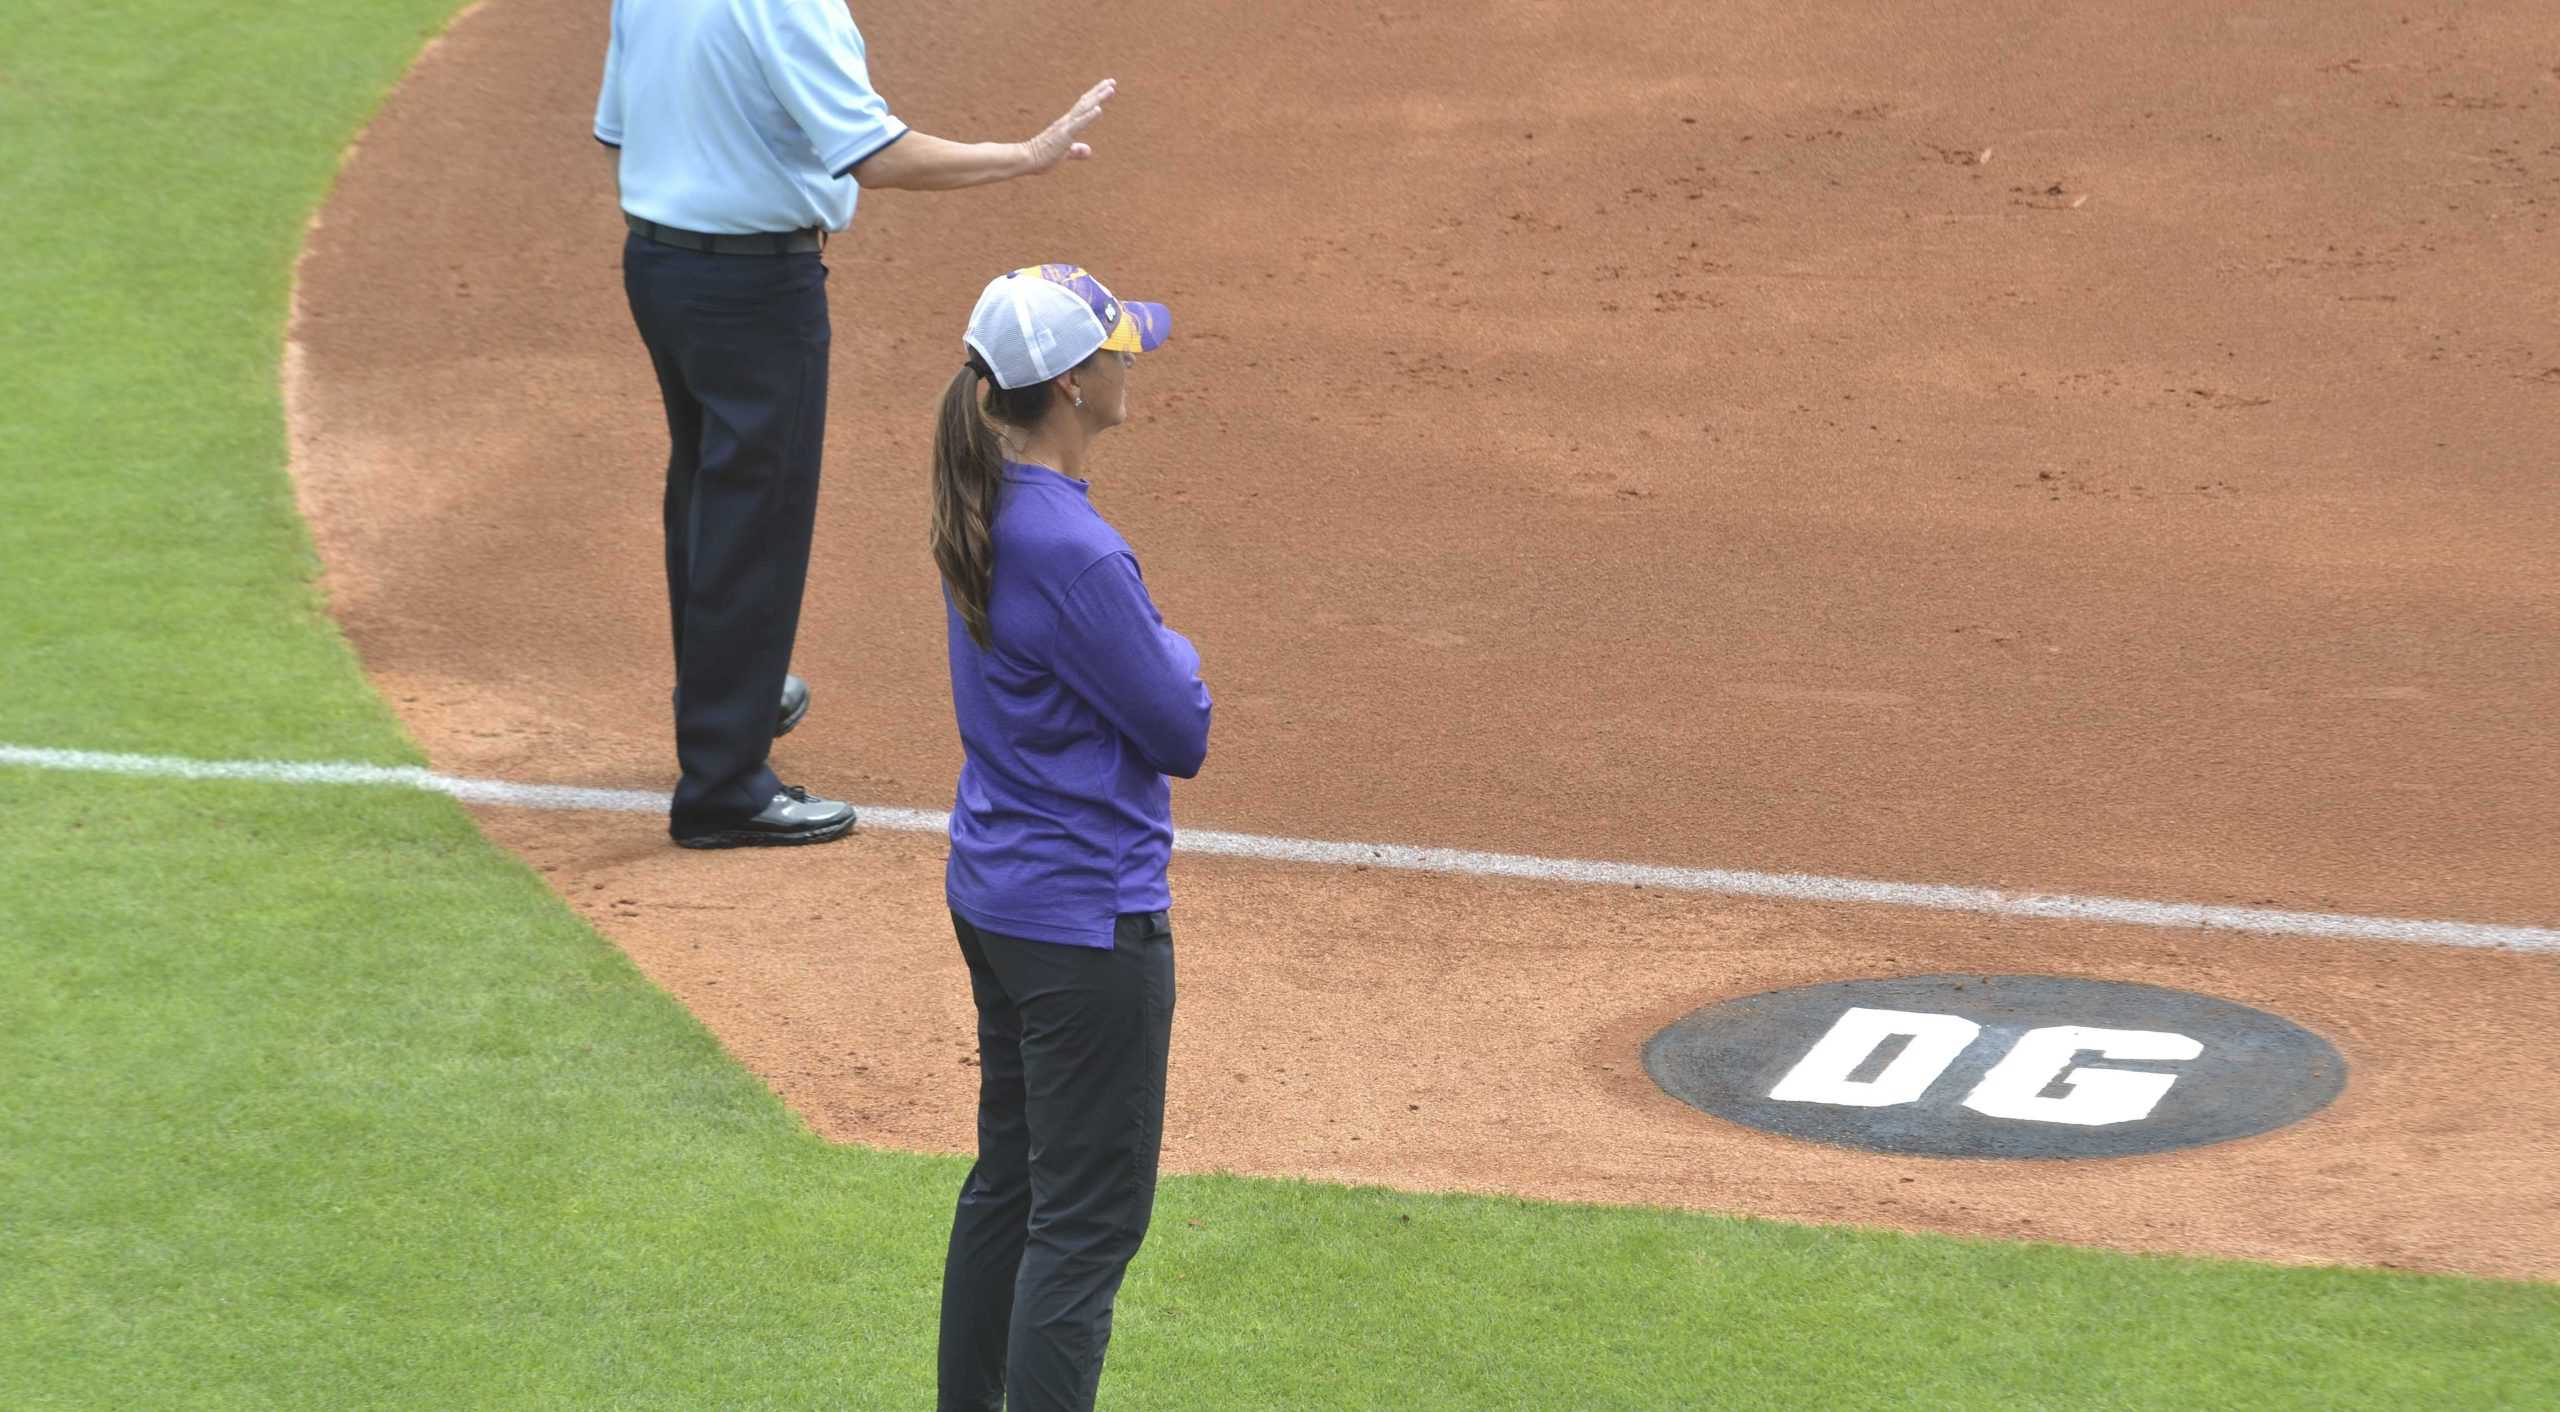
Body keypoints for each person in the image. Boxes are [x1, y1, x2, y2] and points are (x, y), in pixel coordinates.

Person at [593, 0, 1118, 848]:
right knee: (753, 518)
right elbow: (876, 155)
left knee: (704, 490)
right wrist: (1026, 156)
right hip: (753, 291)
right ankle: (723, 788)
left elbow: (621, 133)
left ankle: (730, 695)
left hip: (660, 266)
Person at [929, 266, 1208, 1412]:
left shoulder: (982, 489)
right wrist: (1176, 645)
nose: (1130, 361)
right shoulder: (1076, 549)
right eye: (1116, 350)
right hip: (1085, 918)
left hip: (998, 892)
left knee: (1012, 1183)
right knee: (1086, 1225)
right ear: (1074, 385)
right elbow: (1178, 722)